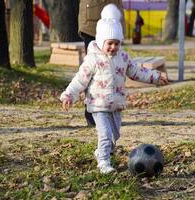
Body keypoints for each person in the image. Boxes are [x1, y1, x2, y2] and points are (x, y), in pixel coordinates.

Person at [60, 4, 168, 174]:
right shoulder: (93, 59)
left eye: (117, 43)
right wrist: (69, 95)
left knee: (114, 136)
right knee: (105, 135)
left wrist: (155, 76)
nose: (113, 47)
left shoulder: (123, 57)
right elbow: (80, 80)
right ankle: (103, 162)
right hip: (98, 105)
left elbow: (137, 72)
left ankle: (102, 152)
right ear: (102, 41)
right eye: (110, 43)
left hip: (116, 105)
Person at [78, 0, 125, 126]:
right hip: (92, 17)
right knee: (93, 69)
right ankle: (94, 113)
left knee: (115, 67)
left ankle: (111, 111)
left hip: (114, 16)